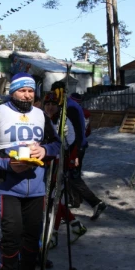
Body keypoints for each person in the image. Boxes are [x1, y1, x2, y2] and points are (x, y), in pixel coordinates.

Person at [0, 72, 61, 270]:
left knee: (32, 234)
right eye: (22, 90)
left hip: (36, 186)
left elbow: (56, 144)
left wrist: (44, 151)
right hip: (8, 185)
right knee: (12, 233)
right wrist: (6, 164)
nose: (26, 94)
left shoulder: (41, 115)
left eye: (31, 90)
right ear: (12, 91)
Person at [51, 81, 107, 220]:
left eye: (56, 92)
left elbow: (76, 131)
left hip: (75, 148)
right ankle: (75, 201)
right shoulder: (65, 105)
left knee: (72, 177)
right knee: (68, 177)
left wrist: (74, 153)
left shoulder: (70, 107)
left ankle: (96, 203)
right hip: (72, 147)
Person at [43, 92, 87, 246]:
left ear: (58, 106)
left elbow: (73, 143)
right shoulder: (41, 119)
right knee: (49, 200)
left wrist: (70, 154)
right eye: (47, 104)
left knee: (53, 199)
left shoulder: (63, 120)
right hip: (43, 164)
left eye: (53, 104)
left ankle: (53, 235)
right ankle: (75, 225)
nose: (50, 107)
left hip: (59, 165)